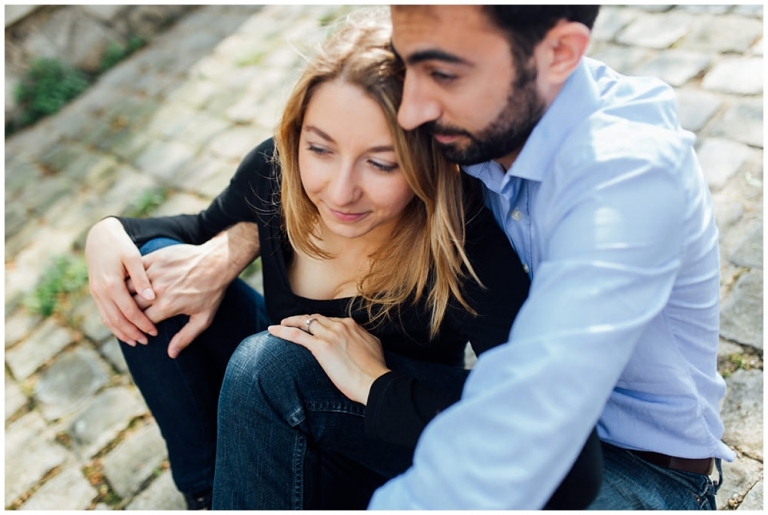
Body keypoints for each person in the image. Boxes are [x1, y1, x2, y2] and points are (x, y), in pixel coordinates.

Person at [85, 10, 601, 510]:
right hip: (273, 412)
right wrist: (105, 234)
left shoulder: (462, 241)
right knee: (147, 271)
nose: (339, 191)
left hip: (384, 441)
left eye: (380, 163)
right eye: (320, 149)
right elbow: (193, 231)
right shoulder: (275, 172)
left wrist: (377, 385)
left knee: (271, 366)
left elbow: (567, 457)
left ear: (426, 159)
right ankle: (207, 496)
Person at [364, 4, 736, 510]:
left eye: (444, 75)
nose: (411, 112)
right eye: (406, 65)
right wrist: (251, 231)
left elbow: (539, 400)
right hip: (507, 404)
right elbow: (324, 130)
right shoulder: (484, 125)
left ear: (560, 53)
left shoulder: (629, 173)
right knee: (282, 373)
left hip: (642, 474)